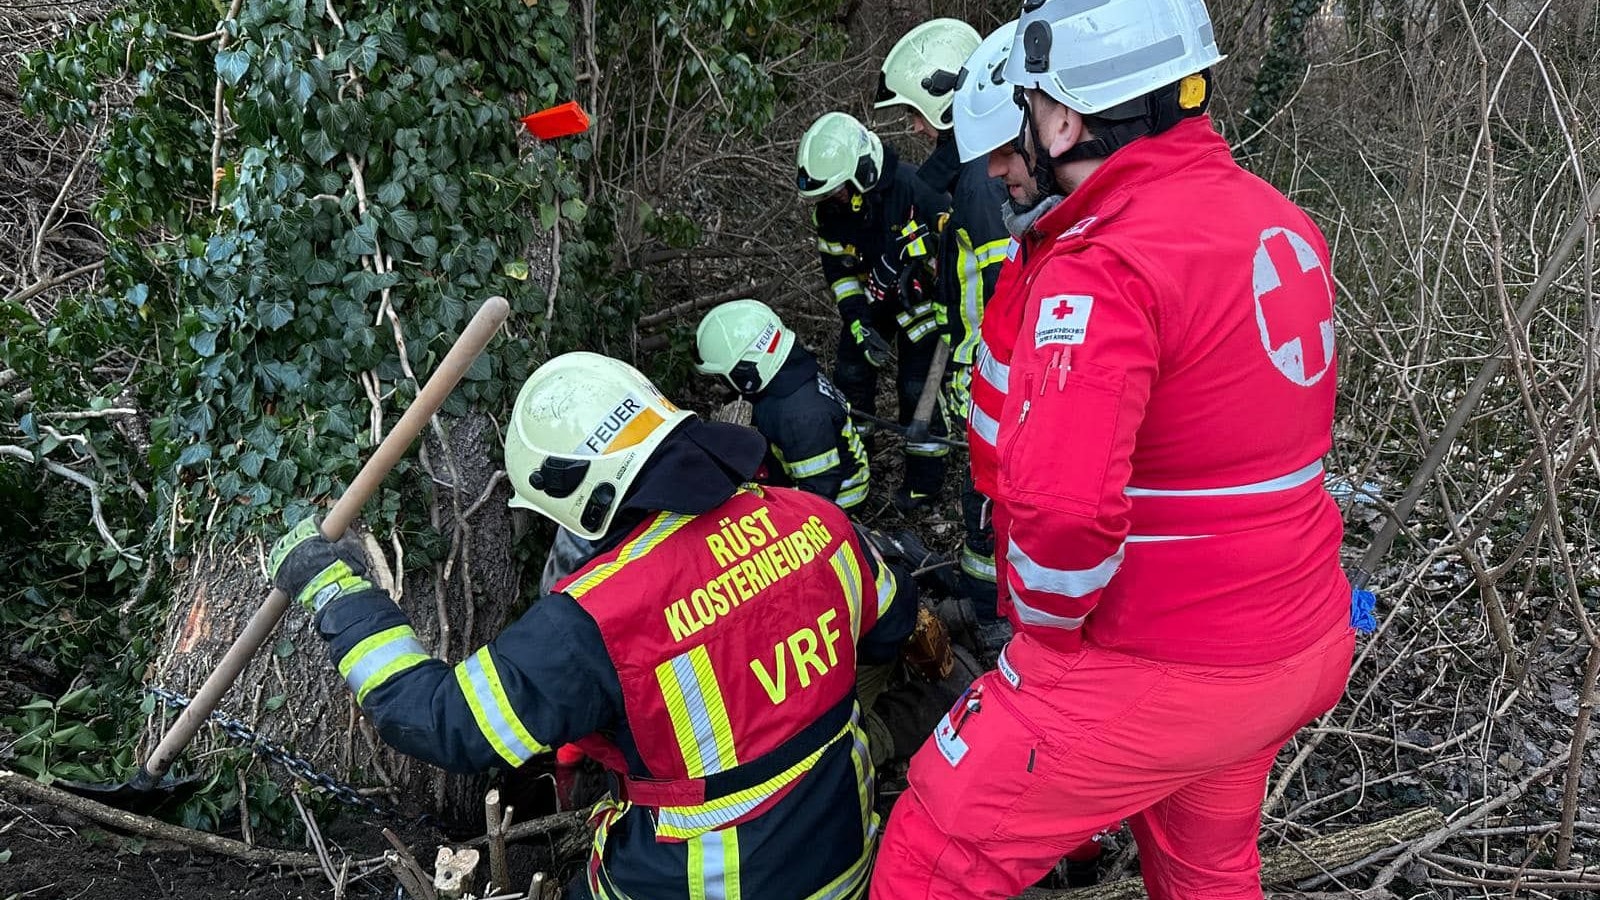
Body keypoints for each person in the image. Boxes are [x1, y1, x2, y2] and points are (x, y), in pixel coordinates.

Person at [871, 1, 1356, 898]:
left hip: (1170, 655)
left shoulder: (1107, 264)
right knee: (1206, 866)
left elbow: (1061, 512)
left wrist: (1048, 642)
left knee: (935, 845)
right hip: (1296, 633)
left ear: (1066, 115)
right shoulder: (1279, 219)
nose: (1009, 160)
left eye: (1025, 121)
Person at [268, 352, 916, 900]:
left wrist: (335, 591)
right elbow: (892, 627)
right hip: (843, 855)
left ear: (584, 497)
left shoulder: (601, 618)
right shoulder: (814, 520)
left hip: (703, 878)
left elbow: (441, 720)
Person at [876, 17, 1012, 622]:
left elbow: (994, 299)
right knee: (981, 492)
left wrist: (968, 374)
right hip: (983, 364)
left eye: (916, 111)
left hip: (990, 373)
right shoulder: (971, 174)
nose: (911, 125)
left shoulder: (982, 187)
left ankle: (988, 612)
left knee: (989, 492)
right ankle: (982, 587)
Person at [796, 111, 951, 512]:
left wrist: (922, 265)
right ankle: (856, 457)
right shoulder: (831, 212)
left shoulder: (917, 188)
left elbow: (958, 251)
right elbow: (839, 274)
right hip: (872, 300)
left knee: (919, 390)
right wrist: (859, 325)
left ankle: (923, 483)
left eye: (836, 192)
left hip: (922, 304)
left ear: (861, 173)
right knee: (849, 372)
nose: (830, 202)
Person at [693, 299, 871, 511]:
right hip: (814, 471)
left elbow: (819, 490)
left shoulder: (799, 415)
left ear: (746, 370)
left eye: (723, 377)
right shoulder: (789, 369)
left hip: (841, 499)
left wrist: (758, 504)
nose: (722, 385)